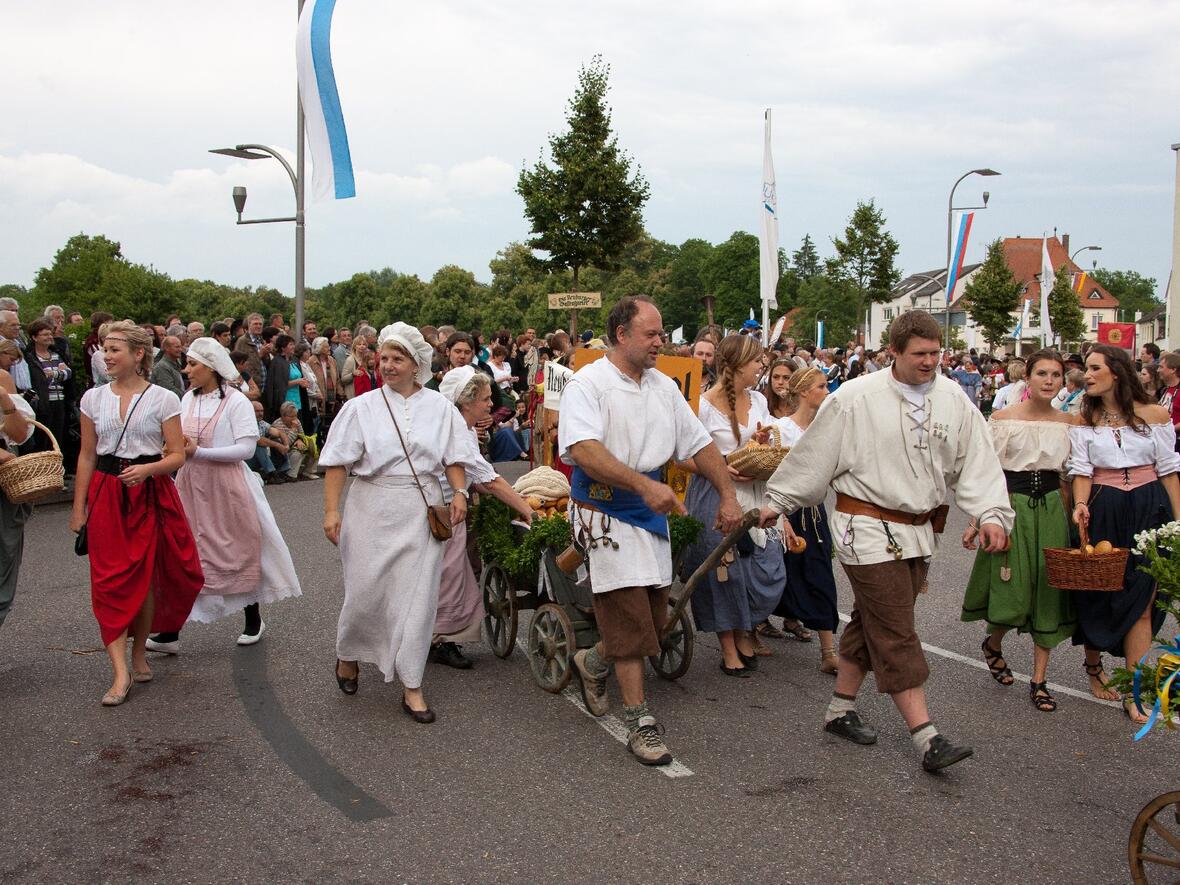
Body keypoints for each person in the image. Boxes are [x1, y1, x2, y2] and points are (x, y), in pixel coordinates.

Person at [760, 310, 1014, 773]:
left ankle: (840, 709)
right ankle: (927, 737)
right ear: (893, 352)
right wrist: (777, 500)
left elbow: (976, 461)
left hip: (919, 532)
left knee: (870, 620)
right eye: (920, 354)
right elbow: (815, 456)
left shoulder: (954, 398)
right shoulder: (855, 398)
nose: (930, 362)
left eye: (936, 353)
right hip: (867, 532)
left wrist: (991, 512)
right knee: (896, 628)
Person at [562, 296, 743, 766]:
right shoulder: (589, 384)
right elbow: (582, 450)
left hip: (650, 512)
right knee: (627, 614)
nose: (661, 342)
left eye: (661, 334)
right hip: (602, 510)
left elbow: (700, 445)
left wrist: (727, 495)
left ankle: (592, 661)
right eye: (652, 334)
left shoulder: (664, 387)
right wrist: (644, 485)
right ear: (621, 335)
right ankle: (640, 722)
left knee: (653, 618)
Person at [320, 323, 480, 723]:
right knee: (366, 592)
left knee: (418, 600)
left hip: (420, 507)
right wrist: (331, 510)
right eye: (384, 358)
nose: (387, 366)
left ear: (416, 364)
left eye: (397, 359)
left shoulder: (439, 408)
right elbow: (337, 462)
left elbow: (455, 458)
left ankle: (412, 685)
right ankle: (349, 653)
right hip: (370, 506)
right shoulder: (360, 407)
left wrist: (459, 493)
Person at [70, 322, 204, 706]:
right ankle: (119, 672)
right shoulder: (92, 399)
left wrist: (147, 469)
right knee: (108, 580)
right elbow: (87, 455)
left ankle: (140, 653)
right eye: (104, 349)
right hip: (107, 494)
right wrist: (78, 507)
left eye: (114, 349)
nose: (107, 356)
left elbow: (177, 455)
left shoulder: (164, 398)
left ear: (138, 354)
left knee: (144, 579)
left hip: (149, 493)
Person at [146, 339, 301, 654]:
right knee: (185, 553)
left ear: (212, 368)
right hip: (191, 484)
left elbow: (245, 448)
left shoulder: (235, 402)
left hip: (227, 485)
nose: (187, 370)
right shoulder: (186, 399)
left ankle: (253, 618)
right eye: (187, 364)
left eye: (193, 365)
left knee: (238, 550)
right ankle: (171, 629)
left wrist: (198, 451)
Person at [1068, 344, 1180, 723]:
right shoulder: (1085, 419)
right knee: (1100, 591)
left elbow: (1168, 470)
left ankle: (1135, 692)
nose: (1087, 374)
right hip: (1105, 506)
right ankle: (1094, 667)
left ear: (1116, 371)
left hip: (1149, 505)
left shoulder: (1155, 414)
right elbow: (1082, 470)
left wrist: (1179, 524)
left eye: (1094, 367)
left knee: (1143, 600)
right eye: (1086, 368)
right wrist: (1080, 504)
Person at [960, 350, 1077, 713]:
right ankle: (993, 643)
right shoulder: (1003, 419)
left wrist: (1074, 518)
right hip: (1012, 507)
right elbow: (988, 473)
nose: (1048, 380)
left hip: (1053, 510)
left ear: (1061, 381)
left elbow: (1070, 478)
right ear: (1027, 377)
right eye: (1041, 373)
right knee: (1012, 588)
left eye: (1055, 375)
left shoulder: (1069, 423)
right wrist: (978, 519)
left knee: (1049, 590)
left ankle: (1039, 681)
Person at [680, 334, 786, 675]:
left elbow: (763, 441)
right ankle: (730, 644)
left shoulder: (758, 400)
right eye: (756, 361)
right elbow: (680, 457)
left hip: (754, 491)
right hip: (713, 492)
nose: (761, 366)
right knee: (723, 571)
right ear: (738, 365)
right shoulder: (701, 404)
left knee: (766, 567)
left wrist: (760, 443)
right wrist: (721, 465)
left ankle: (746, 628)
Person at [428, 367, 535, 670]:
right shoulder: (457, 430)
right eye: (486, 399)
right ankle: (439, 641)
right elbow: (487, 480)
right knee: (450, 577)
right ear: (467, 402)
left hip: (447, 510)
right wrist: (526, 508)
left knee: (446, 576)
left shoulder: (461, 427)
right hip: (445, 513)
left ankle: (429, 637)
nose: (491, 405)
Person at [770, 367, 841, 672]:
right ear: (803, 392)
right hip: (786, 511)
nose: (827, 392)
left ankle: (828, 653)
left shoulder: (826, 427)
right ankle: (759, 622)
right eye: (821, 387)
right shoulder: (782, 429)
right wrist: (781, 518)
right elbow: (770, 475)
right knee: (777, 576)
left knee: (821, 574)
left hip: (814, 513)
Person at [0, 350, 35, 629]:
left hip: (3, 486)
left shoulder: (2, 379)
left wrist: (5, 402)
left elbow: (19, 435)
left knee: (5, 561)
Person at [23, 318, 72, 454]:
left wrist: (55, 373)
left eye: (50, 334)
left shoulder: (56, 354)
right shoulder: (30, 357)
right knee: (42, 437)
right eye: (45, 334)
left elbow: (68, 373)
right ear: (34, 337)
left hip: (59, 400)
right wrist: (60, 372)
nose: (49, 337)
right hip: (42, 402)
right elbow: (40, 377)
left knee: (57, 437)